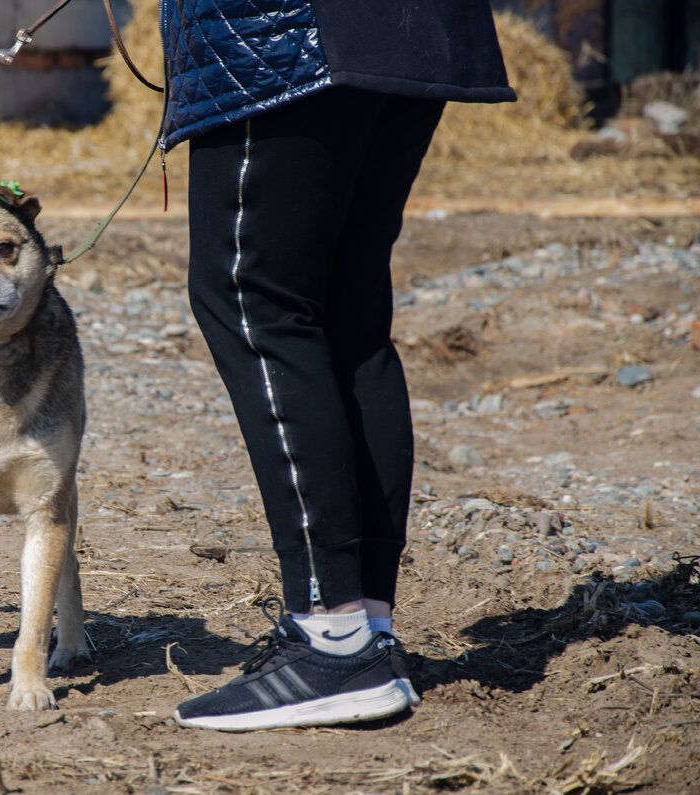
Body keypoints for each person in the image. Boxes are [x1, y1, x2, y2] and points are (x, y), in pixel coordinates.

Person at [160, 0, 516, 731]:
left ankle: (332, 637)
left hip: (290, 28)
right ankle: (368, 633)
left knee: (251, 294)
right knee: (347, 310)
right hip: (414, 30)